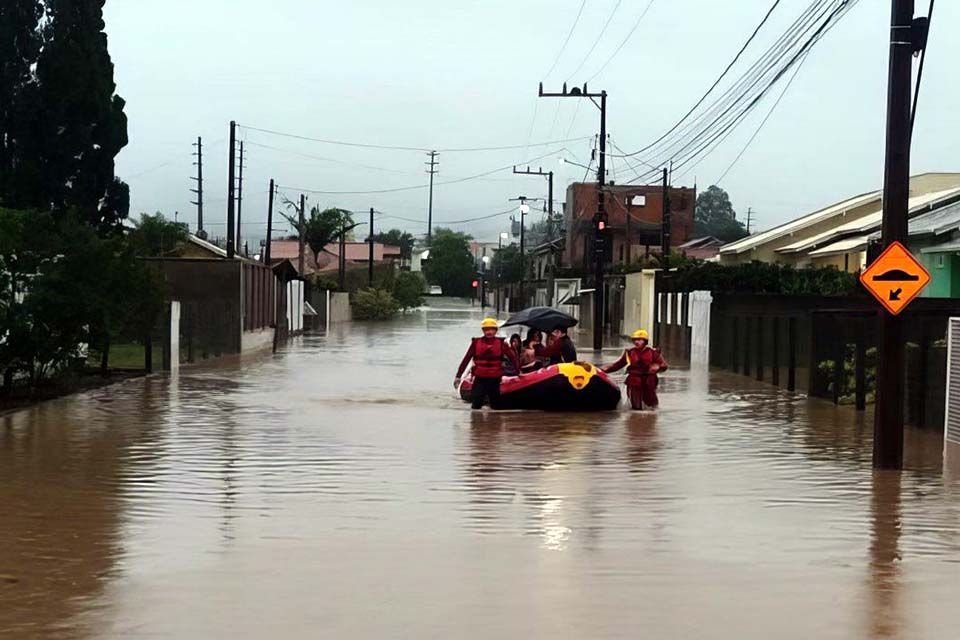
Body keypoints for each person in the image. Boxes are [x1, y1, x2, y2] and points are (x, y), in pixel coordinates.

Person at [455, 318, 521, 410]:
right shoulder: (476, 343)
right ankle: (476, 423)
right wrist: (458, 376)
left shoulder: (502, 344)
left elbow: (512, 358)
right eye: (486, 330)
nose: (489, 332)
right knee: (476, 404)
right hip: (480, 377)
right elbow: (466, 359)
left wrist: (518, 372)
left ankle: (494, 423)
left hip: (494, 378)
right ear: (483, 331)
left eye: (491, 329)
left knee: (496, 404)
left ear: (495, 330)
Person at [602, 329, 668, 410]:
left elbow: (664, 365)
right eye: (635, 340)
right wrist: (603, 370)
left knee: (651, 405)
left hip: (649, 380)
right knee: (636, 406)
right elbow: (617, 365)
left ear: (645, 341)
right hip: (634, 380)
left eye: (639, 340)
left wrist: (658, 367)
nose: (637, 342)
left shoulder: (653, 353)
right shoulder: (629, 353)